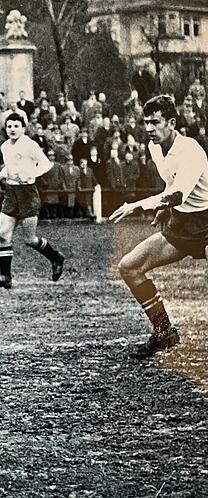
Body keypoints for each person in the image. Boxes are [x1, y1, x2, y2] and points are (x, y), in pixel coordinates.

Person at [110, 95, 208, 358]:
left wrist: (139, 204)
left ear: (172, 123)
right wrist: (164, 208)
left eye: (155, 122)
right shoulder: (155, 147)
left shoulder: (190, 150)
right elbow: (172, 188)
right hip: (183, 224)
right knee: (129, 267)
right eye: (146, 123)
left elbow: (178, 194)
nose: (149, 128)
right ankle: (164, 332)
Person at [0, 113, 65, 289]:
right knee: (3, 234)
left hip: (28, 193)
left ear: (23, 128)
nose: (12, 129)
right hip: (10, 192)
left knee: (30, 239)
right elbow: (9, 167)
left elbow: (46, 164)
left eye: (16, 126)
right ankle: (5, 277)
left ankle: (56, 257)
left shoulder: (30, 145)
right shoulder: (5, 146)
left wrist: (31, 174)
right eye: (9, 126)